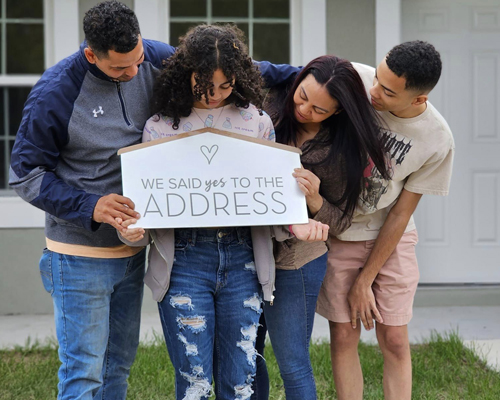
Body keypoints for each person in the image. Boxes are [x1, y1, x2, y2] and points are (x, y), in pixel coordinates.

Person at [116, 24, 329, 400]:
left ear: (239, 78)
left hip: (244, 259)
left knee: (240, 384)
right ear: (186, 75)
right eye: (204, 86)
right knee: (194, 384)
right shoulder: (159, 127)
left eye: (225, 86)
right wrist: (132, 232)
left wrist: (295, 223)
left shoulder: (257, 121)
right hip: (183, 262)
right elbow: (148, 208)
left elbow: (270, 197)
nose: (214, 95)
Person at [9, 2, 177, 398]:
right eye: (119, 68)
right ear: (91, 55)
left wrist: (308, 76)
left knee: (118, 367)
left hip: (132, 253)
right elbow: (25, 175)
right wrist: (91, 206)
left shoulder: (153, 57)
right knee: (84, 374)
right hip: (78, 258)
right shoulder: (55, 92)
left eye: (137, 60)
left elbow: (224, 66)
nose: (133, 73)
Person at [316, 41, 455, 400]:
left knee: (393, 338)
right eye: (377, 78)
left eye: (389, 92)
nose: (374, 91)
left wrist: (366, 279)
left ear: (418, 99)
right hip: (342, 232)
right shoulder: (356, 80)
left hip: (391, 236)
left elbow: (400, 214)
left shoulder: (437, 139)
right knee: (344, 334)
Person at [251, 56, 390, 400]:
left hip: (296, 261)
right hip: (246, 250)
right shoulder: (269, 106)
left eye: (318, 110)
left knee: (293, 363)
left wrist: (314, 199)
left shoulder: (340, 149)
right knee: (247, 356)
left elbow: (341, 222)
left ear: (337, 111)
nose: (303, 110)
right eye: (301, 97)